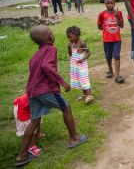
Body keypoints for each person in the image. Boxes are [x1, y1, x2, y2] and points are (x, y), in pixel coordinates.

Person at [15, 25, 87, 167]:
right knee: (66, 108)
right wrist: (63, 83)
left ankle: (21, 155)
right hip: (46, 90)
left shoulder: (35, 55)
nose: (52, 34)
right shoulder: (51, 49)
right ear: (50, 37)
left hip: (32, 91)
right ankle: (74, 138)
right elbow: (47, 67)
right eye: (51, 32)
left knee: (34, 121)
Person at [98, 0, 125, 84]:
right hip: (106, 40)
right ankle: (110, 70)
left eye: (112, 3)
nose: (110, 5)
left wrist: (117, 17)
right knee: (108, 56)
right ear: (105, 3)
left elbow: (121, 25)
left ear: (115, 3)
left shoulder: (119, 13)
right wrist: (105, 28)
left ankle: (117, 76)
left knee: (116, 56)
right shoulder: (102, 14)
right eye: (108, 3)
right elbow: (99, 26)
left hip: (117, 39)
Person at [66, 26, 93, 104]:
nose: (69, 39)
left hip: (82, 65)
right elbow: (71, 55)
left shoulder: (82, 43)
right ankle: (85, 94)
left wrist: (83, 59)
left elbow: (88, 53)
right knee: (80, 79)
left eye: (70, 37)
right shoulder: (72, 44)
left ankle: (89, 95)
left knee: (84, 79)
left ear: (77, 35)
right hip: (75, 65)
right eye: (68, 37)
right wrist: (68, 48)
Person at [13, 93, 42, 157]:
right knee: (31, 128)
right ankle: (32, 147)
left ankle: (38, 133)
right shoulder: (38, 94)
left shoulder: (40, 92)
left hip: (29, 108)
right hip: (22, 110)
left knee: (38, 119)